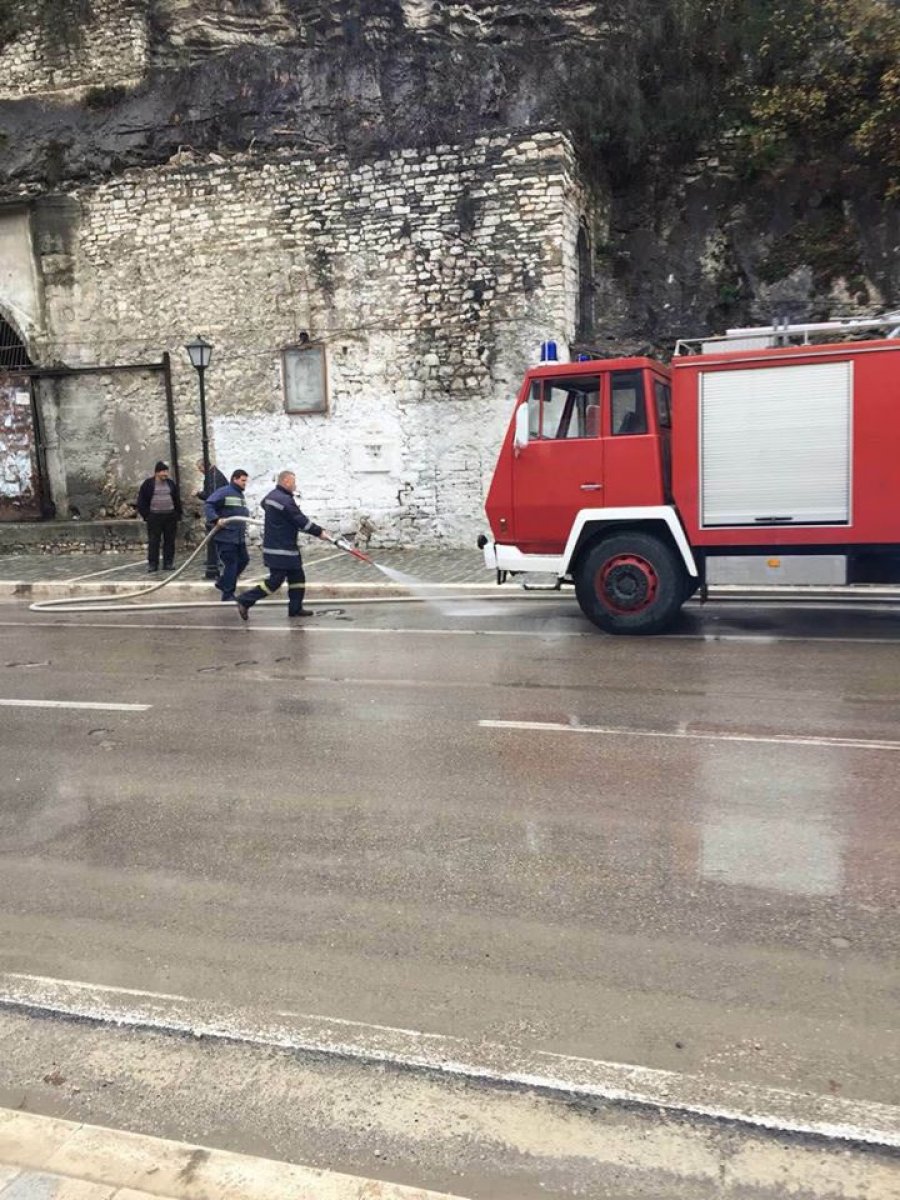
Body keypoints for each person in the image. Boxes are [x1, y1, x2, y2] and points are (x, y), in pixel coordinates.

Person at [235, 470, 333, 621]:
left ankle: (295, 608)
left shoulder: (271, 496)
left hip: (284, 547)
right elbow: (300, 519)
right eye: (293, 482)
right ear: (286, 481)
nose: (295, 485)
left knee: (297, 578)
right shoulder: (285, 500)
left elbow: (265, 505)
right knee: (275, 581)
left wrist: (279, 520)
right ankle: (245, 600)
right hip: (280, 549)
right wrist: (319, 532)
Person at [204, 469, 251, 601]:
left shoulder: (239, 494)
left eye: (246, 481)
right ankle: (228, 594)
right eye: (243, 480)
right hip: (226, 536)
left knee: (244, 560)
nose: (245, 483)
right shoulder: (224, 492)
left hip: (238, 537)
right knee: (232, 564)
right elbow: (209, 505)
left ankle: (223, 582)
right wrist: (216, 519)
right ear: (234, 479)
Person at [135, 461, 182, 573]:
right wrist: (147, 515)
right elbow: (141, 501)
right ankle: (153, 564)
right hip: (155, 517)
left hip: (169, 516)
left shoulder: (170, 484)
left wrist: (177, 514)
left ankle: (168, 563)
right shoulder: (148, 484)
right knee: (154, 541)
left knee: (169, 541)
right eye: (163, 471)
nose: (166, 474)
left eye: (166, 471)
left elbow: (176, 500)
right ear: (157, 472)